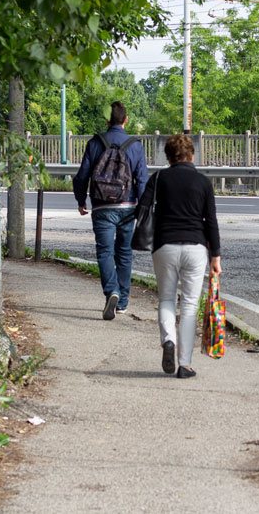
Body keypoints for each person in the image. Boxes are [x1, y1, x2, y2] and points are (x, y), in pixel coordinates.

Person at [137, 134, 221, 378]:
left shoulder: (159, 178)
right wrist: (216, 256)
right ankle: (184, 364)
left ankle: (168, 341)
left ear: (168, 156)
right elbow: (211, 221)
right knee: (190, 305)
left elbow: (142, 208)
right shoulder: (203, 182)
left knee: (166, 299)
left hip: (165, 246)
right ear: (192, 155)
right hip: (196, 248)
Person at [73, 101, 149, 320]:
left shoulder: (95, 143)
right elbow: (142, 180)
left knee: (104, 252)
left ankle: (111, 291)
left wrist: (81, 200)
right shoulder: (135, 145)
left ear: (108, 120)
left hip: (102, 206)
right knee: (124, 252)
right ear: (126, 120)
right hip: (128, 207)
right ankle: (123, 302)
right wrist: (143, 210)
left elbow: (81, 176)